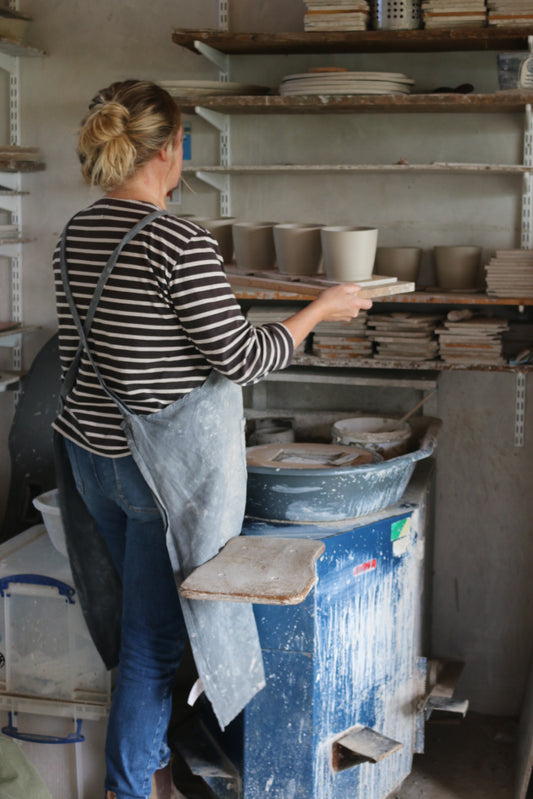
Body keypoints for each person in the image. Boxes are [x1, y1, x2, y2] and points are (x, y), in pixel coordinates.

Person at [52, 79, 372, 799]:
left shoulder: (77, 231)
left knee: (135, 628)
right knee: (154, 639)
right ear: (171, 149)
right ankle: (129, 788)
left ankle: (152, 770)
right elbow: (242, 358)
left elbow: (108, 345)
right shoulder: (176, 239)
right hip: (155, 475)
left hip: (90, 456)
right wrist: (319, 307)